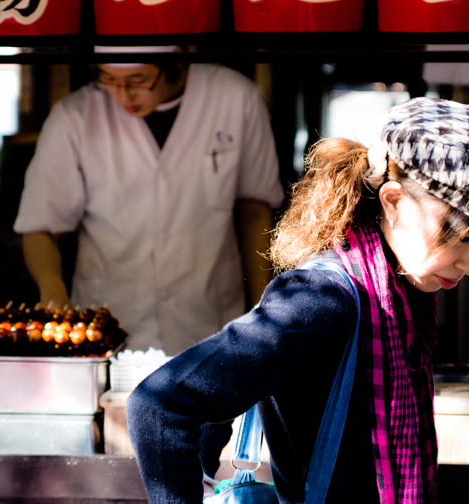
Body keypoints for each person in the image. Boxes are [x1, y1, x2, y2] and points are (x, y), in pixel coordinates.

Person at [127, 97, 469, 504]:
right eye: (464, 237)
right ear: (395, 202)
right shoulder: (322, 299)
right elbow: (161, 405)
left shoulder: (401, 293)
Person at [14, 46, 284, 356]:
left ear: (175, 63)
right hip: (111, 328)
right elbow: (39, 225)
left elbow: (254, 208)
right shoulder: (75, 115)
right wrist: (52, 288)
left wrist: (262, 309)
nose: (123, 95)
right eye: (109, 79)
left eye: (138, 80)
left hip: (211, 322)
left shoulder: (235, 98)